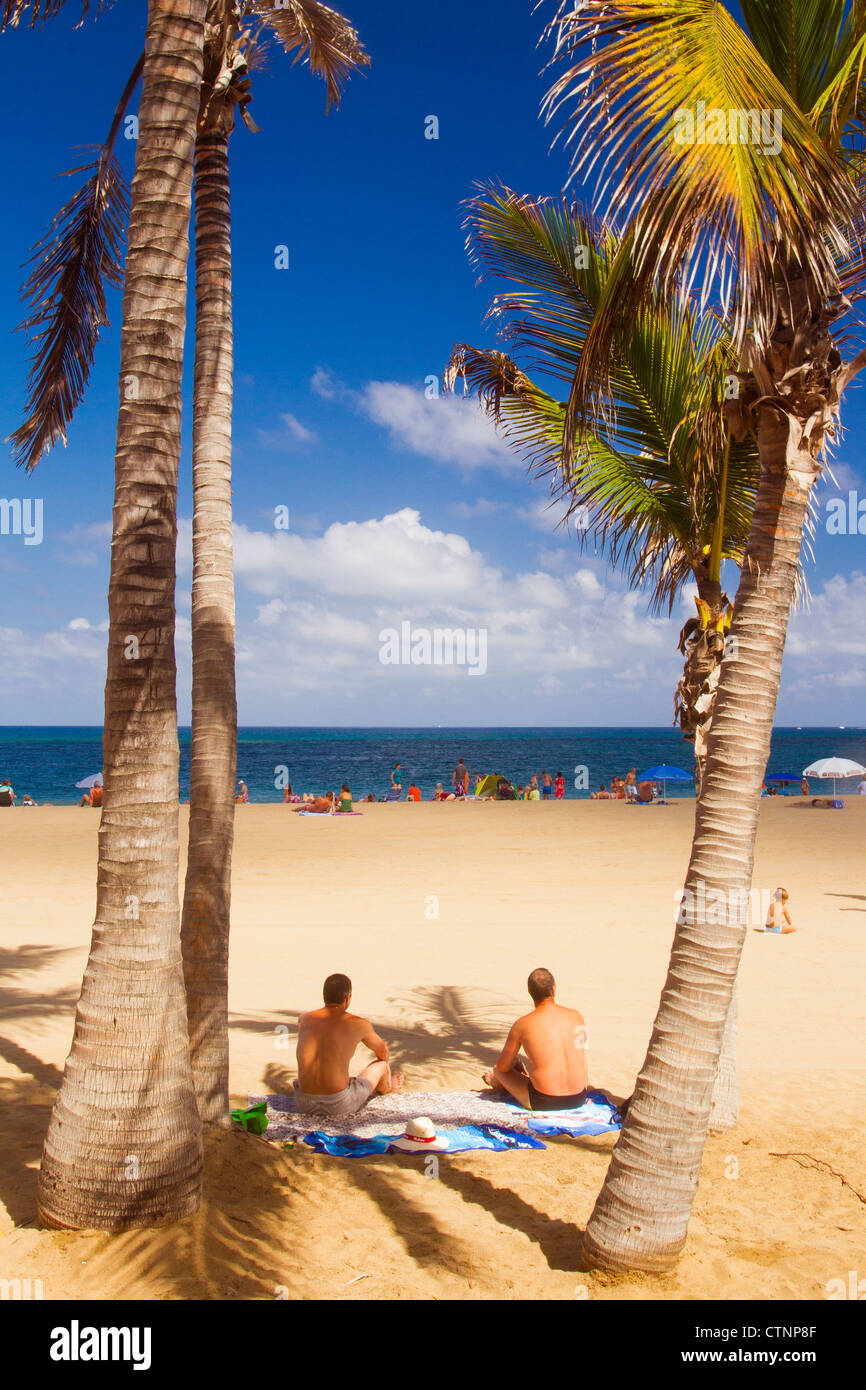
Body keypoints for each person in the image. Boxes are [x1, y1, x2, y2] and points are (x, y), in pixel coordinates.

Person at [293, 973, 404, 1117]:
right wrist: (386, 1067)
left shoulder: (304, 1018)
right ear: (348, 997)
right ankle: (387, 1087)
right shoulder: (358, 1024)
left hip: (303, 1102)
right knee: (381, 1064)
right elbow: (382, 1051)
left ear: (324, 996)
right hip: (337, 1105)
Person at [482, 968, 589, 1111]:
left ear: (530, 993)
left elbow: (502, 1067)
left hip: (545, 1101)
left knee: (498, 1072)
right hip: (579, 1097)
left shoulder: (523, 1024)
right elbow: (581, 1056)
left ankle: (499, 1083)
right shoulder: (577, 1016)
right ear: (554, 990)